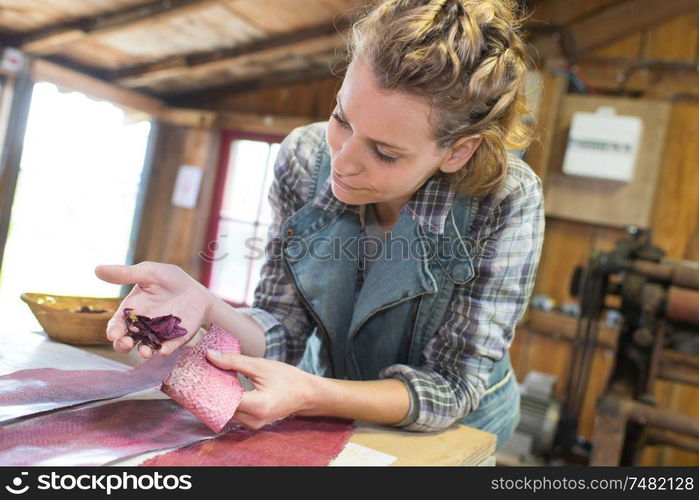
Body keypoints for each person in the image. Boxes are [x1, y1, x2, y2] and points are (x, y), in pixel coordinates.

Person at [96, 0, 544, 451]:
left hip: (453, 431)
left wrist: (310, 393)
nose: (342, 163)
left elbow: (450, 387)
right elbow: (283, 330)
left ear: (457, 152)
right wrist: (205, 305)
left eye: (385, 153)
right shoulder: (305, 158)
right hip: (324, 405)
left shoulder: (505, 199)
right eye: (341, 119)